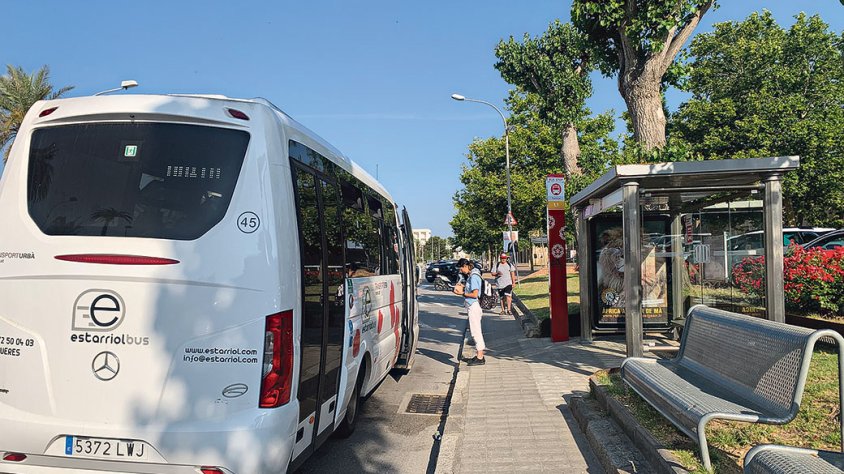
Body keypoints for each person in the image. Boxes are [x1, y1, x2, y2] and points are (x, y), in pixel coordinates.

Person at [453, 258, 485, 366]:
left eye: (461, 268)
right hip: (472, 306)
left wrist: (461, 293)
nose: (461, 270)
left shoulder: (474, 276)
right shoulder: (472, 275)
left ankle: (480, 357)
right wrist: (463, 287)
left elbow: (475, 294)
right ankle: (479, 355)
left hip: (474, 306)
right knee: (475, 331)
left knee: (476, 332)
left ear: (466, 266)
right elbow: (470, 289)